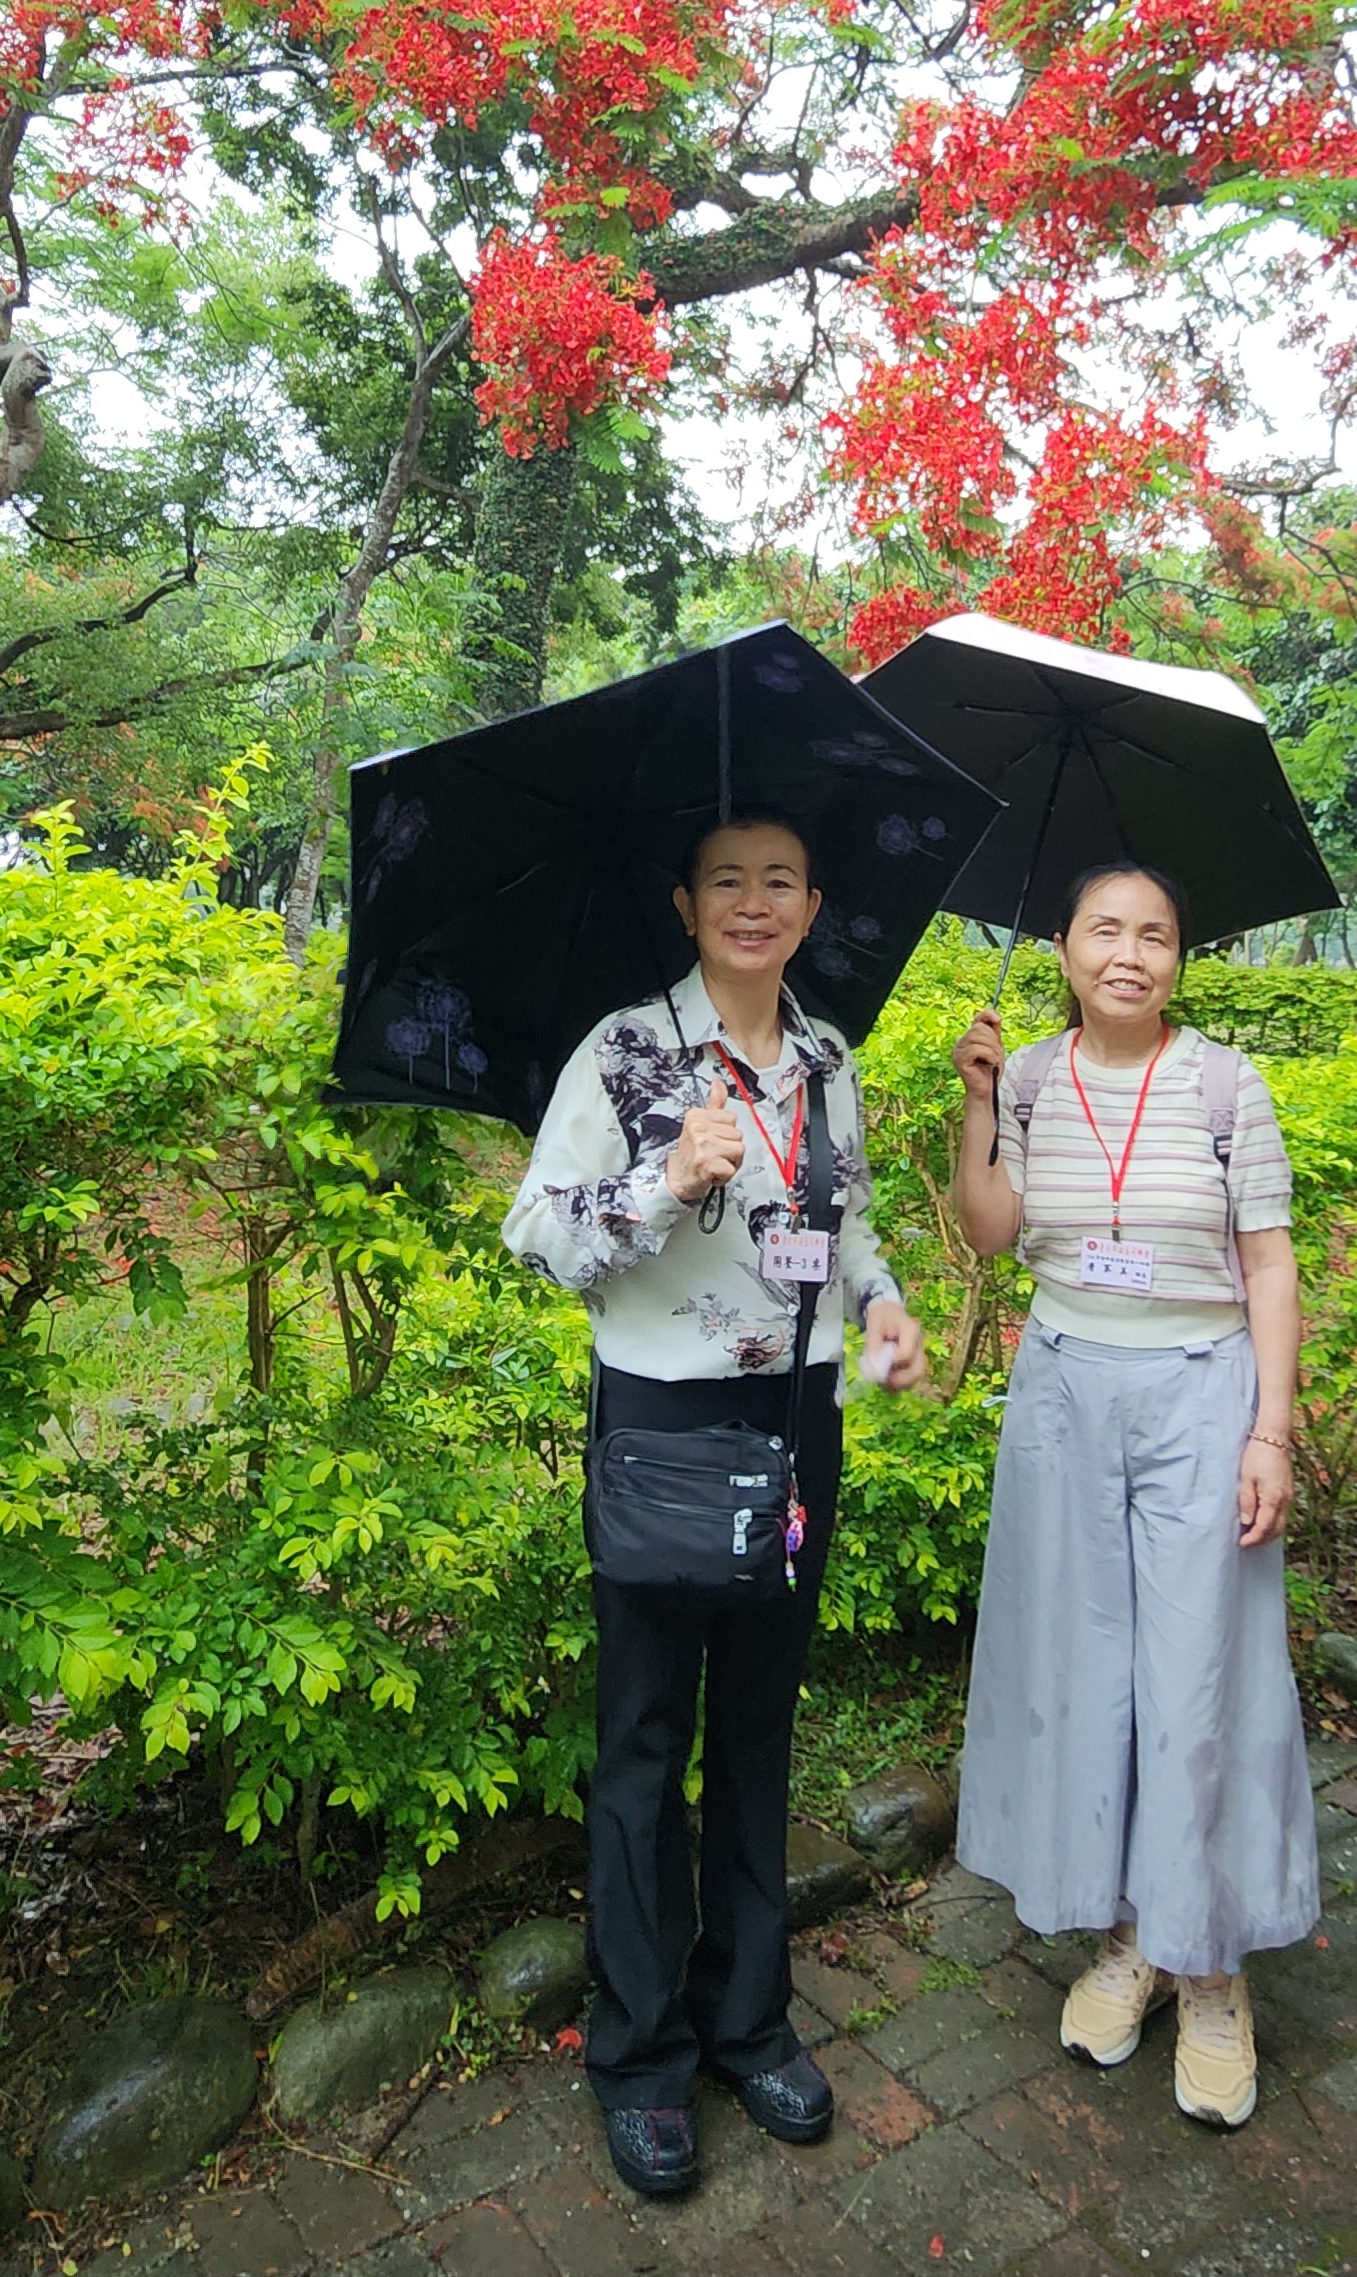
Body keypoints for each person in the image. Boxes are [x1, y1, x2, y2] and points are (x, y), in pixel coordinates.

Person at [502, 808, 926, 2201]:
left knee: (757, 1728)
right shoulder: (628, 1050)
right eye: (727, 880)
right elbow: (538, 1232)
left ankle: (749, 2022)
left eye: (779, 881)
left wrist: (884, 1305)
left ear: (811, 907)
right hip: (665, 1427)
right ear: (687, 904)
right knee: (642, 1740)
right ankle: (639, 2055)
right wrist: (663, 1180)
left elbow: (849, 1221)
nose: (754, 901)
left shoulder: (826, 1056)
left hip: (797, 1426)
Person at [950, 861, 1319, 2132]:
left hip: (1200, 1390)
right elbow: (990, 1231)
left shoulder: (1224, 1085)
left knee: (1198, 1677)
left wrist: (1270, 1431)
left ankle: (1209, 1967)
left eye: (1153, 934)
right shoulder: (1029, 1078)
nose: (1127, 953)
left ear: (1177, 958)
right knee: (1085, 1671)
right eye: (1102, 929)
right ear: (1060, 947)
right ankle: (1132, 1933)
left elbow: (1267, 1264)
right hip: (1064, 1388)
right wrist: (978, 1105)